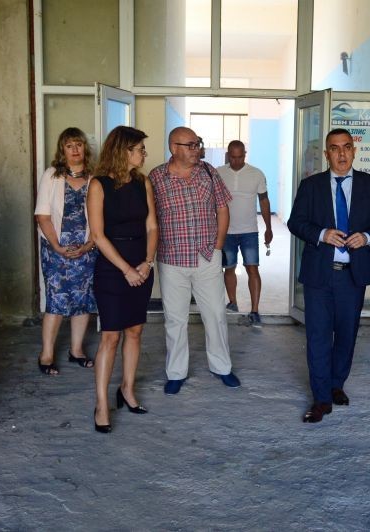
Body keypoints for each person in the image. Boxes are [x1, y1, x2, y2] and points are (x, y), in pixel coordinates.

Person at [288, 128, 370, 423]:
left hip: (351, 275)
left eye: (347, 147)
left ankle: (336, 384)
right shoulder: (311, 186)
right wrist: (322, 234)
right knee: (318, 336)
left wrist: (367, 237)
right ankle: (321, 399)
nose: (342, 153)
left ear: (354, 151)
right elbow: (296, 222)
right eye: (335, 148)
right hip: (319, 275)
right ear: (326, 154)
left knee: (346, 335)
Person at [148, 127, 240, 395]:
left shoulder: (208, 172)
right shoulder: (156, 177)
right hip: (172, 259)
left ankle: (222, 367)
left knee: (216, 314)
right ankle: (176, 373)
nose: (196, 149)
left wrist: (218, 246)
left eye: (197, 143)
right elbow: (149, 218)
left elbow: (222, 208)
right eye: (190, 145)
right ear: (173, 148)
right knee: (175, 319)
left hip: (206, 256)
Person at [87, 126, 158, 433]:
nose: (144, 153)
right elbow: (98, 236)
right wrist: (127, 270)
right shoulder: (98, 184)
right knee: (111, 336)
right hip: (112, 268)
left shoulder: (143, 182)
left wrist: (147, 263)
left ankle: (127, 389)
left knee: (135, 331)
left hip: (142, 264)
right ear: (123, 151)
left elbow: (152, 226)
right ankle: (102, 404)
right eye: (139, 149)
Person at [34, 127, 98, 375]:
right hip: (55, 249)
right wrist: (58, 246)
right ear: (62, 150)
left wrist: (89, 244)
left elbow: (100, 216)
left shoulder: (94, 177)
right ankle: (47, 354)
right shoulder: (52, 175)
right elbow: (42, 215)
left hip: (87, 248)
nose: (75, 150)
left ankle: (77, 350)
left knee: (83, 299)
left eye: (79, 144)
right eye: (69, 145)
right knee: (56, 300)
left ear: (85, 148)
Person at [217, 140, 273, 327]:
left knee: (252, 268)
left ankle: (255, 311)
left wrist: (268, 228)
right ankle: (232, 302)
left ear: (245, 154)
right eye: (232, 157)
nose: (236, 161)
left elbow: (264, 201)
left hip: (249, 231)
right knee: (229, 268)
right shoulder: (218, 173)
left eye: (240, 157)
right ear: (228, 155)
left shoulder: (256, 174)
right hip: (226, 231)